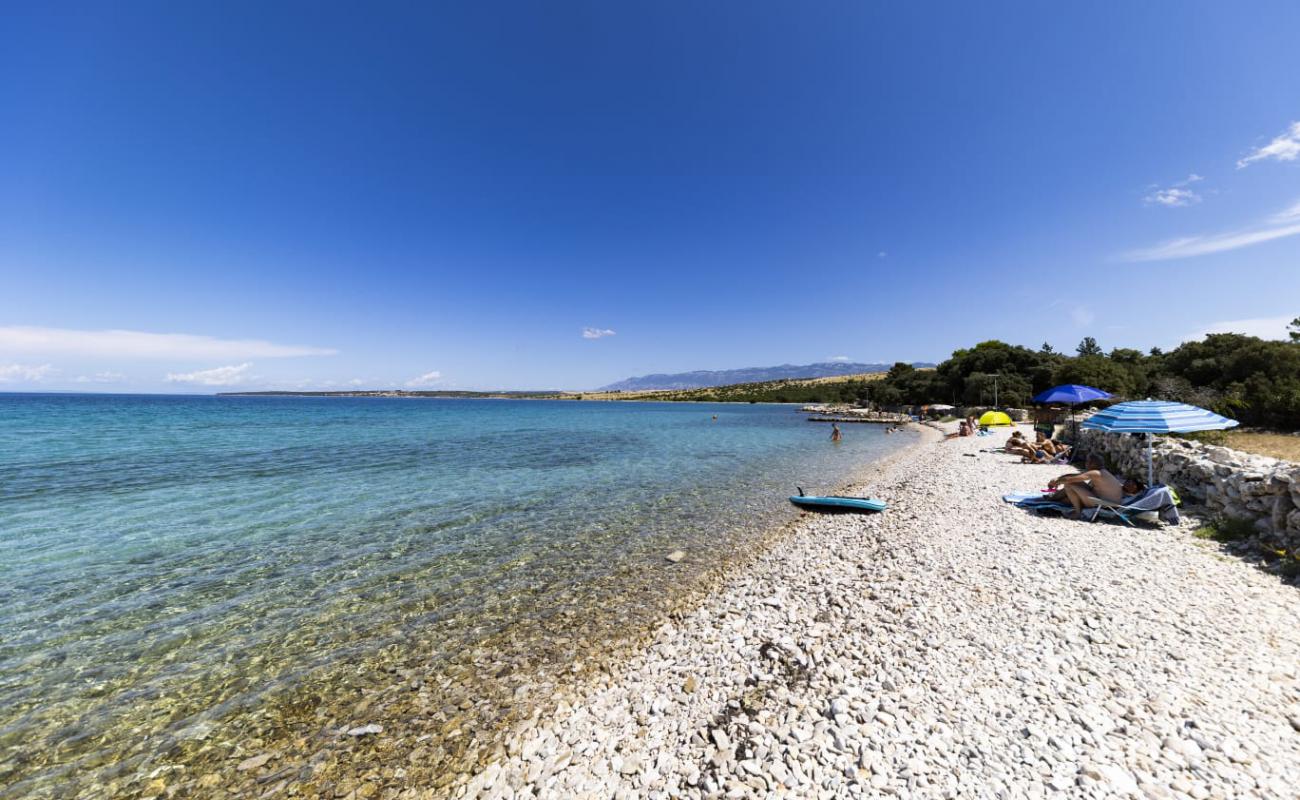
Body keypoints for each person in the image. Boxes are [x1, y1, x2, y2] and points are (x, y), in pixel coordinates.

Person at [1047, 453, 1125, 519]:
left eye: (1087, 461)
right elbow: (1076, 476)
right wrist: (1058, 479)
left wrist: (1055, 482)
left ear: (1092, 463)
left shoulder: (1095, 473)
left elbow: (1070, 480)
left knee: (1069, 485)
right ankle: (1053, 497)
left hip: (1106, 505)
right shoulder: (1102, 472)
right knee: (1072, 489)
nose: (1085, 463)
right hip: (1107, 502)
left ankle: (1077, 513)